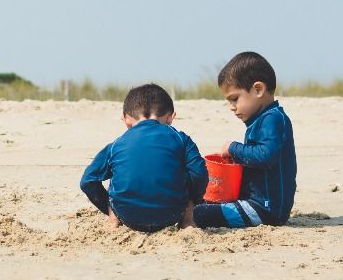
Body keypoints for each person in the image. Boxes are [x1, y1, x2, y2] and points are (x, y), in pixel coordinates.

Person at [80, 83, 207, 231]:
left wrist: (109, 208)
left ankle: (113, 218)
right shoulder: (181, 139)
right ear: (171, 117)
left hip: (127, 216)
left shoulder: (116, 145)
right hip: (172, 214)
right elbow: (199, 174)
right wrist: (195, 201)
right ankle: (187, 221)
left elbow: (87, 181)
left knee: (116, 175)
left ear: (126, 119)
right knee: (186, 173)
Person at [193, 51, 297, 228]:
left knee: (197, 213)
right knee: (201, 202)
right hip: (255, 204)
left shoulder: (273, 118)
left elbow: (265, 155)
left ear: (258, 89)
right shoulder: (261, 120)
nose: (232, 108)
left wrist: (234, 148)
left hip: (265, 210)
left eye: (235, 99)